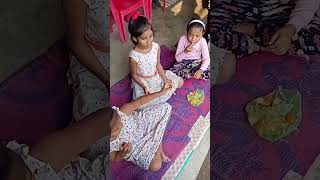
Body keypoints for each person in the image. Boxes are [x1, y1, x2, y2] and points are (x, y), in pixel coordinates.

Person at [209, 0, 320, 84]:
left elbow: (308, 5)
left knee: (315, 39)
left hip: (283, 13)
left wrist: (290, 29)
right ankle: (262, 39)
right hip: (243, 7)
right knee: (212, 30)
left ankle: (256, 40)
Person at [64, 0, 109, 157]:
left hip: (115, 52)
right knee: (96, 142)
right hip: (92, 58)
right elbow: (76, 42)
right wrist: (106, 78)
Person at [110, 81, 173, 172]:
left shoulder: (121, 113)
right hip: (137, 147)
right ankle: (157, 144)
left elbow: (140, 101)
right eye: (117, 128)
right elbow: (116, 158)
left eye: (119, 120)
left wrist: (161, 93)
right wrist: (122, 153)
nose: (121, 124)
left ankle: (159, 147)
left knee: (166, 107)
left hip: (141, 124)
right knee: (156, 166)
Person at [128, 13, 184, 109]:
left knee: (180, 83)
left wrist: (165, 79)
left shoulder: (156, 47)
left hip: (156, 76)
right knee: (139, 106)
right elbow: (134, 75)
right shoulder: (134, 56)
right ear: (134, 38)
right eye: (143, 38)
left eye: (150, 36)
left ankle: (165, 83)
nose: (148, 41)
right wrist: (144, 86)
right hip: (143, 81)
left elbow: (158, 65)